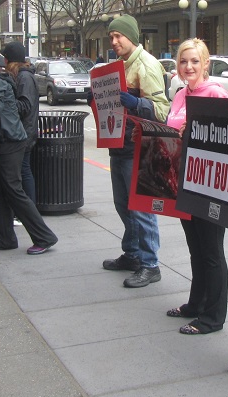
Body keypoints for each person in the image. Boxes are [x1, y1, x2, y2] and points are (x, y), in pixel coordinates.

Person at [98, 14, 169, 288]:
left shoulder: (146, 65)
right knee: (123, 205)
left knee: (141, 208)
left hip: (138, 147)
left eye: (119, 35)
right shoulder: (120, 65)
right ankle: (133, 253)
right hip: (119, 144)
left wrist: (136, 103)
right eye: (111, 36)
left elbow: (162, 110)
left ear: (132, 37)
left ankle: (150, 265)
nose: (114, 41)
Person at [165, 38, 228, 334]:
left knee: (212, 252)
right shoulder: (180, 94)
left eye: (194, 61)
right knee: (196, 248)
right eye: (183, 61)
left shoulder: (216, 93)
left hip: (211, 185)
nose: (188, 66)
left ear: (206, 64)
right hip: (184, 182)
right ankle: (196, 304)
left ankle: (213, 317)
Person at [0, 51, 58, 255]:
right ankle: (4, 238)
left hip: (10, 141)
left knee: (14, 190)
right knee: (0, 191)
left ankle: (44, 237)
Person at [2, 41, 39, 226]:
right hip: (24, 130)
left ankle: (28, 212)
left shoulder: (24, 77)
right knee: (23, 170)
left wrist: (5, 100)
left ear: (9, 60)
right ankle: (27, 211)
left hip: (24, 131)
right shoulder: (22, 75)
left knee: (23, 171)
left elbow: (25, 106)